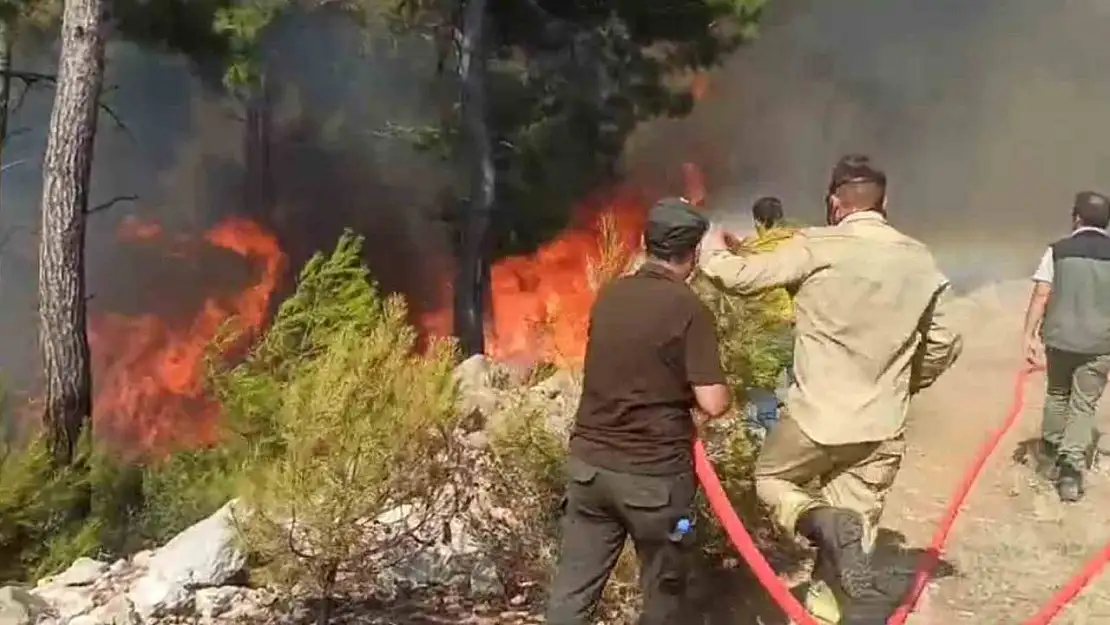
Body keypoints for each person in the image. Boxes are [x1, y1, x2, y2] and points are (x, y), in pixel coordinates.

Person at [699, 155, 963, 624]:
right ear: (886, 202)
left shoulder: (818, 245)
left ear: (835, 203)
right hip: (882, 424)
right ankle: (827, 611)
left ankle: (816, 520)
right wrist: (903, 382)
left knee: (773, 481)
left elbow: (739, 279)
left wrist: (712, 247)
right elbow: (946, 341)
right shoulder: (919, 257)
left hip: (816, 418)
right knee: (851, 531)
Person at [545, 197, 732, 625]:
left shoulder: (610, 295)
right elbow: (713, 402)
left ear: (648, 244)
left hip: (589, 474)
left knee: (573, 590)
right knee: (666, 590)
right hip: (656, 488)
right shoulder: (688, 308)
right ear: (693, 253)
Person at [1021, 190, 1110, 503]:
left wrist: (1028, 334)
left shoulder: (1057, 251)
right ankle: (1071, 471)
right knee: (1083, 404)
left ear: (1076, 218)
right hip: (1100, 344)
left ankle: (1049, 457)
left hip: (1059, 339)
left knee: (1058, 393)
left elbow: (1041, 294)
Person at [741, 196, 800, 435]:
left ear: (757, 221)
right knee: (800, 388)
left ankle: (768, 438)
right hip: (798, 326)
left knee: (761, 385)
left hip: (764, 327)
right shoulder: (798, 243)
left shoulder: (749, 248)